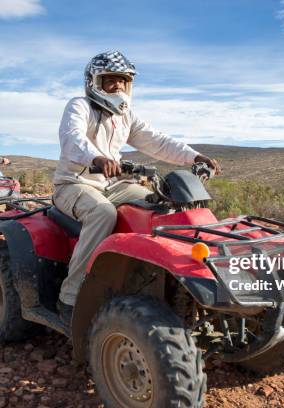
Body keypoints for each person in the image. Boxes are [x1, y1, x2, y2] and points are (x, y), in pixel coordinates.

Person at [52, 50, 221, 327]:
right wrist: (96, 158)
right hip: (74, 184)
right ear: (94, 82)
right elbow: (72, 138)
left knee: (161, 205)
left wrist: (195, 157)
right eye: (110, 81)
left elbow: (158, 141)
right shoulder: (79, 106)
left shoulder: (126, 115)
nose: (118, 86)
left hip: (113, 185)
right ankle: (69, 298)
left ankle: (160, 277)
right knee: (103, 214)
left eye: (123, 81)